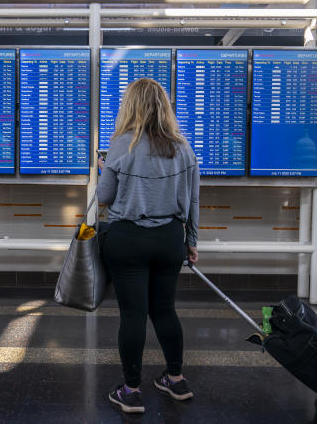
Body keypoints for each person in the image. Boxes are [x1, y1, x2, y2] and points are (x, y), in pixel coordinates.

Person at [97, 78, 200, 414]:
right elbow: (194, 201)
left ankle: (131, 391)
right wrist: (192, 243)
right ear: (164, 107)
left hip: (127, 240)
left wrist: (103, 170)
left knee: (133, 314)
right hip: (170, 238)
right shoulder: (183, 148)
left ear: (131, 106)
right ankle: (176, 379)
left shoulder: (120, 145)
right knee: (165, 309)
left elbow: (105, 198)